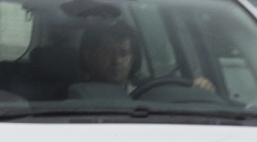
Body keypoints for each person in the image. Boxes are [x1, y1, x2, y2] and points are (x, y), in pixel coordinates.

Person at [79, 22, 214, 93]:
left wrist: (202, 90)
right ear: (90, 56)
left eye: (123, 53)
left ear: (133, 59)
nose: (117, 61)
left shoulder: (150, 94)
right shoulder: (68, 98)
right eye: (108, 52)